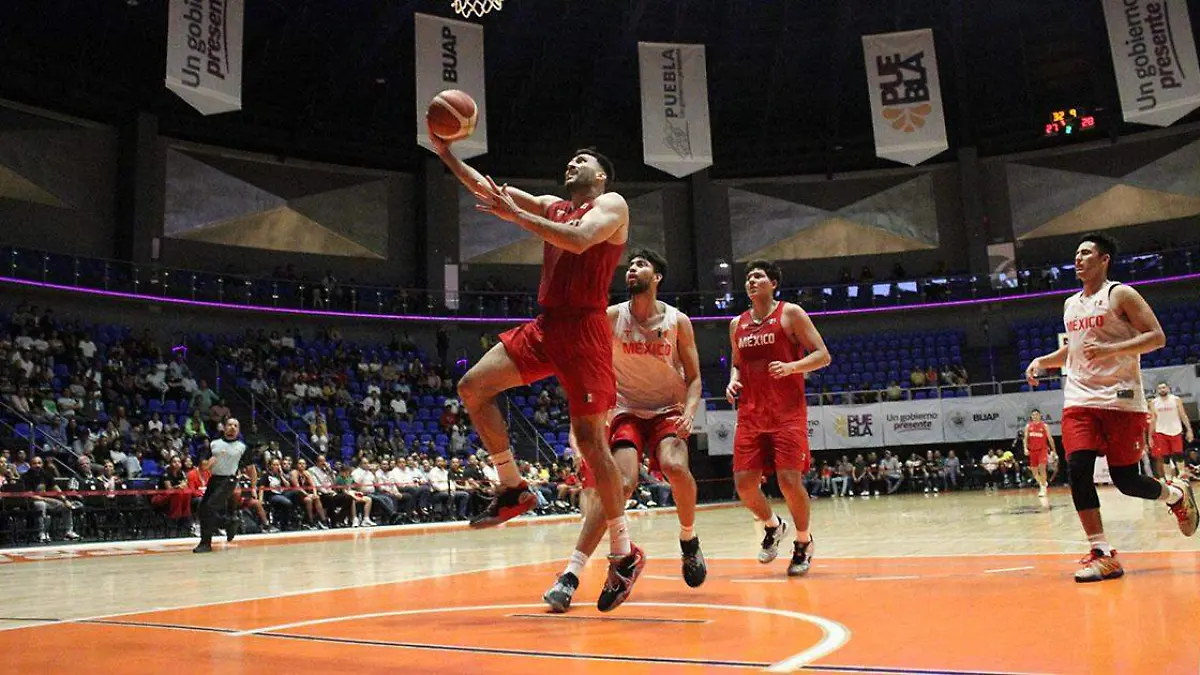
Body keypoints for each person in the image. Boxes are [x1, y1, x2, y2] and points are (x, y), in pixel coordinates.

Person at [430, 122, 643, 611]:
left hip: (586, 331)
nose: (572, 164)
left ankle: (623, 551)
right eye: (570, 160)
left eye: (582, 161)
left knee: (592, 444)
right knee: (472, 387)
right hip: (547, 326)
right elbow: (490, 189)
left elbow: (578, 240)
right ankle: (512, 487)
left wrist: (517, 217)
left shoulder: (612, 207)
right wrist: (445, 153)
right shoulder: (553, 205)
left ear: (602, 176)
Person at [1025, 234, 1197, 582]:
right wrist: (1043, 361)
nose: (1078, 258)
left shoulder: (1120, 294)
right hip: (1080, 400)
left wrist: (1111, 351)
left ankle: (1176, 494)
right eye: (1076, 253)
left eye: (1086, 253)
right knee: (1078, 467)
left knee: (1126, 481)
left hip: (1120, 400)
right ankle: (1102, 552)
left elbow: (1157, 337)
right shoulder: (1070, 304)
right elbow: (1073, 352)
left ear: (1104, 260)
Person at [543, 250, 706, 612]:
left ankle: (688, 540)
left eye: (640, 265)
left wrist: (691, 411)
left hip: (668, 409)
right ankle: (571, 574)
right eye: (629, 265)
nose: (631, 269)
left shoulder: (678, 321)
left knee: (676, 468)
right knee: (619, 484)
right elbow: (585, 366)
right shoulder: (612, 317)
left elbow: (694, 378)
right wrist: (583, 420)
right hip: (625, 409)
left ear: (657, 276)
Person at [725, 260, 831, 577]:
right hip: (751, 414)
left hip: (787, 413)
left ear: (773, 283)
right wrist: (732, 380)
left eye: (758, 276)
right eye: (748, 277)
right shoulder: (737, 324)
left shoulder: (791, 313)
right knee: (744, 486)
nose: (751, 280)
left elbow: (822, 355)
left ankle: (803, 541)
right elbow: (737, 364)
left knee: (788, 480)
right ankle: (773, 525)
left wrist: (791, 368)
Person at [194, 418, 254, 553]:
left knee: (209, 508)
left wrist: (254, 487)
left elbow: (251, 468)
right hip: (214, 479)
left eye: (235, 426)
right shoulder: (214, 444)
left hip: (229, 480)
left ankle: (219, 530)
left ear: (238, 430)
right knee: (203, 509)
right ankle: (222, 528)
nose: (232, 427)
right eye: (229, 425)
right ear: (224, 427)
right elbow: (203, 467)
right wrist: (210, 462)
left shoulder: (242, 447)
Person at [1148, 382, 1193, 479]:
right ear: (1157, 391)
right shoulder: (1153, 402)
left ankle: (1181, 474)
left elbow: (1183, 415)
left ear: (1168, 388)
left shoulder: (1176, 400)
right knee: (1165, 456)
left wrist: (1189, 430)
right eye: (1159, 388)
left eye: (1164, 387)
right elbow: (1153, 420)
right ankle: (1168, 477)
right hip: (1161, 432)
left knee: (1178, 454)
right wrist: (1150, 436)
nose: (1162, 389)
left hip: (1176, 430)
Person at [1023, 410, 1055, 497]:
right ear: (1031, 416)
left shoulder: (1044, 426)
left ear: (1040, 415)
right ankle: (1042, 482)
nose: (1035, 416)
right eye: (1033, 415)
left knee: (1042, 468)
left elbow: (1050, 438)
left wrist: (1054, 451)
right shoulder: (1028, 426)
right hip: (1032, 451)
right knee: (1034, 471)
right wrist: (1025, 448)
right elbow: (1025, 439)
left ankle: (1043, 488)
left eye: (1036, 414)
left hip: (1042, 450)